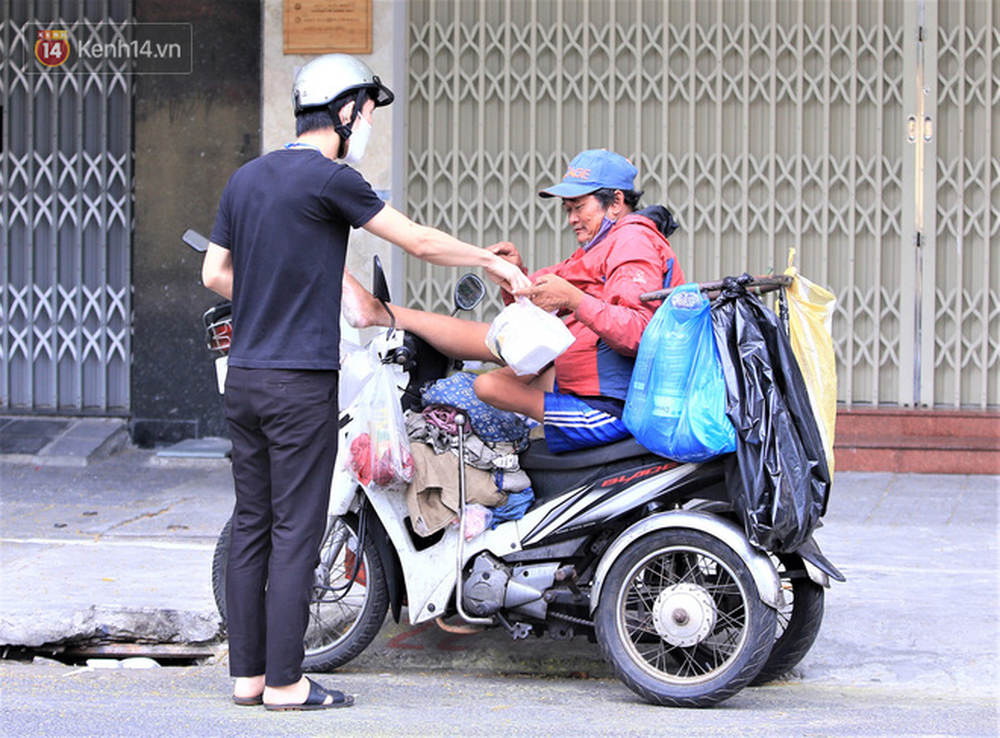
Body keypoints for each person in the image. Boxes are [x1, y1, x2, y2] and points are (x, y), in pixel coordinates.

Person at [201, 53, 530, 712]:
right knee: (296, 530)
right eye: (369, 110)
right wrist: (491, 261)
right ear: (348, 110)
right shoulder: (330, 180)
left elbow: (214, 273)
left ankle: (247, 678)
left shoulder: (246, 178)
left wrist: (278, 294)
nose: (369, 121)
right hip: (299, 384)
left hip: (245, 382)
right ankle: (287, 683)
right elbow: (418, 241)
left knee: (252, 526)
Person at [345, 148, 686, 454]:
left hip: (611, 408)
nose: (571, 219)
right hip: (577, 383)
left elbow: (638, 333)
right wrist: (515, 274)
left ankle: (378, 312)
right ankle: (380, 312)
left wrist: (573, 299)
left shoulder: (632, 241)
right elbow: (542, 297)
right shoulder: (601, 246)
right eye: (568, 209)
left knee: (489, 375)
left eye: (579, 207)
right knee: (499, 349)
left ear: (615, 201)